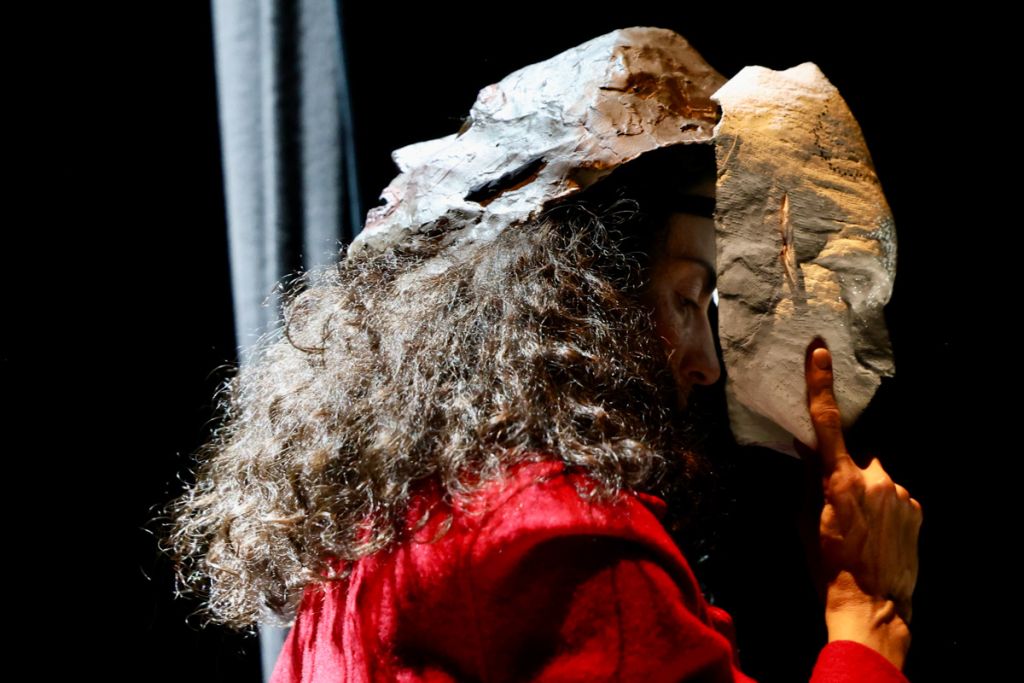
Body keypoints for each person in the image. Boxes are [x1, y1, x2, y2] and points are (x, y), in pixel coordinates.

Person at [162, 29, 921, 681]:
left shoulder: (363, 548)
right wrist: (866, 613)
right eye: (690, 299)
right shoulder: (553, 538)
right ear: (581, 294)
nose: (705, 363)